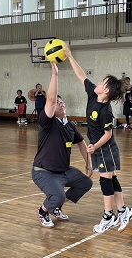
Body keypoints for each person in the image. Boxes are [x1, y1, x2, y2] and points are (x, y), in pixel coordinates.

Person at [64, 45, 132, 234]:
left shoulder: (105, 111)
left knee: (105, 180)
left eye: (102, 83)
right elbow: (81, 75)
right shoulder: (92, 94)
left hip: (106, 148)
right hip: (99, 148)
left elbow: (108, 134)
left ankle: (108, 216)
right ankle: (123, 210)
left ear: (107, 91)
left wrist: (94, 146)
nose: (98, 83)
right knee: (111, 178)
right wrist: (69, 56)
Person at [32, 63, 93, 228]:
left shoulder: (69, 125)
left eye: (62, 102)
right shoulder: (47, 122)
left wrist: (89, 162)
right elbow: (51, 99)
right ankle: (44, 211)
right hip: (44, 172)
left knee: (86, 183)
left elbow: (81, 143)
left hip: (63, 171)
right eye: (57, 102)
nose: (61, 104)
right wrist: (55, 75)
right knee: (57, 196)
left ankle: (56, 206)